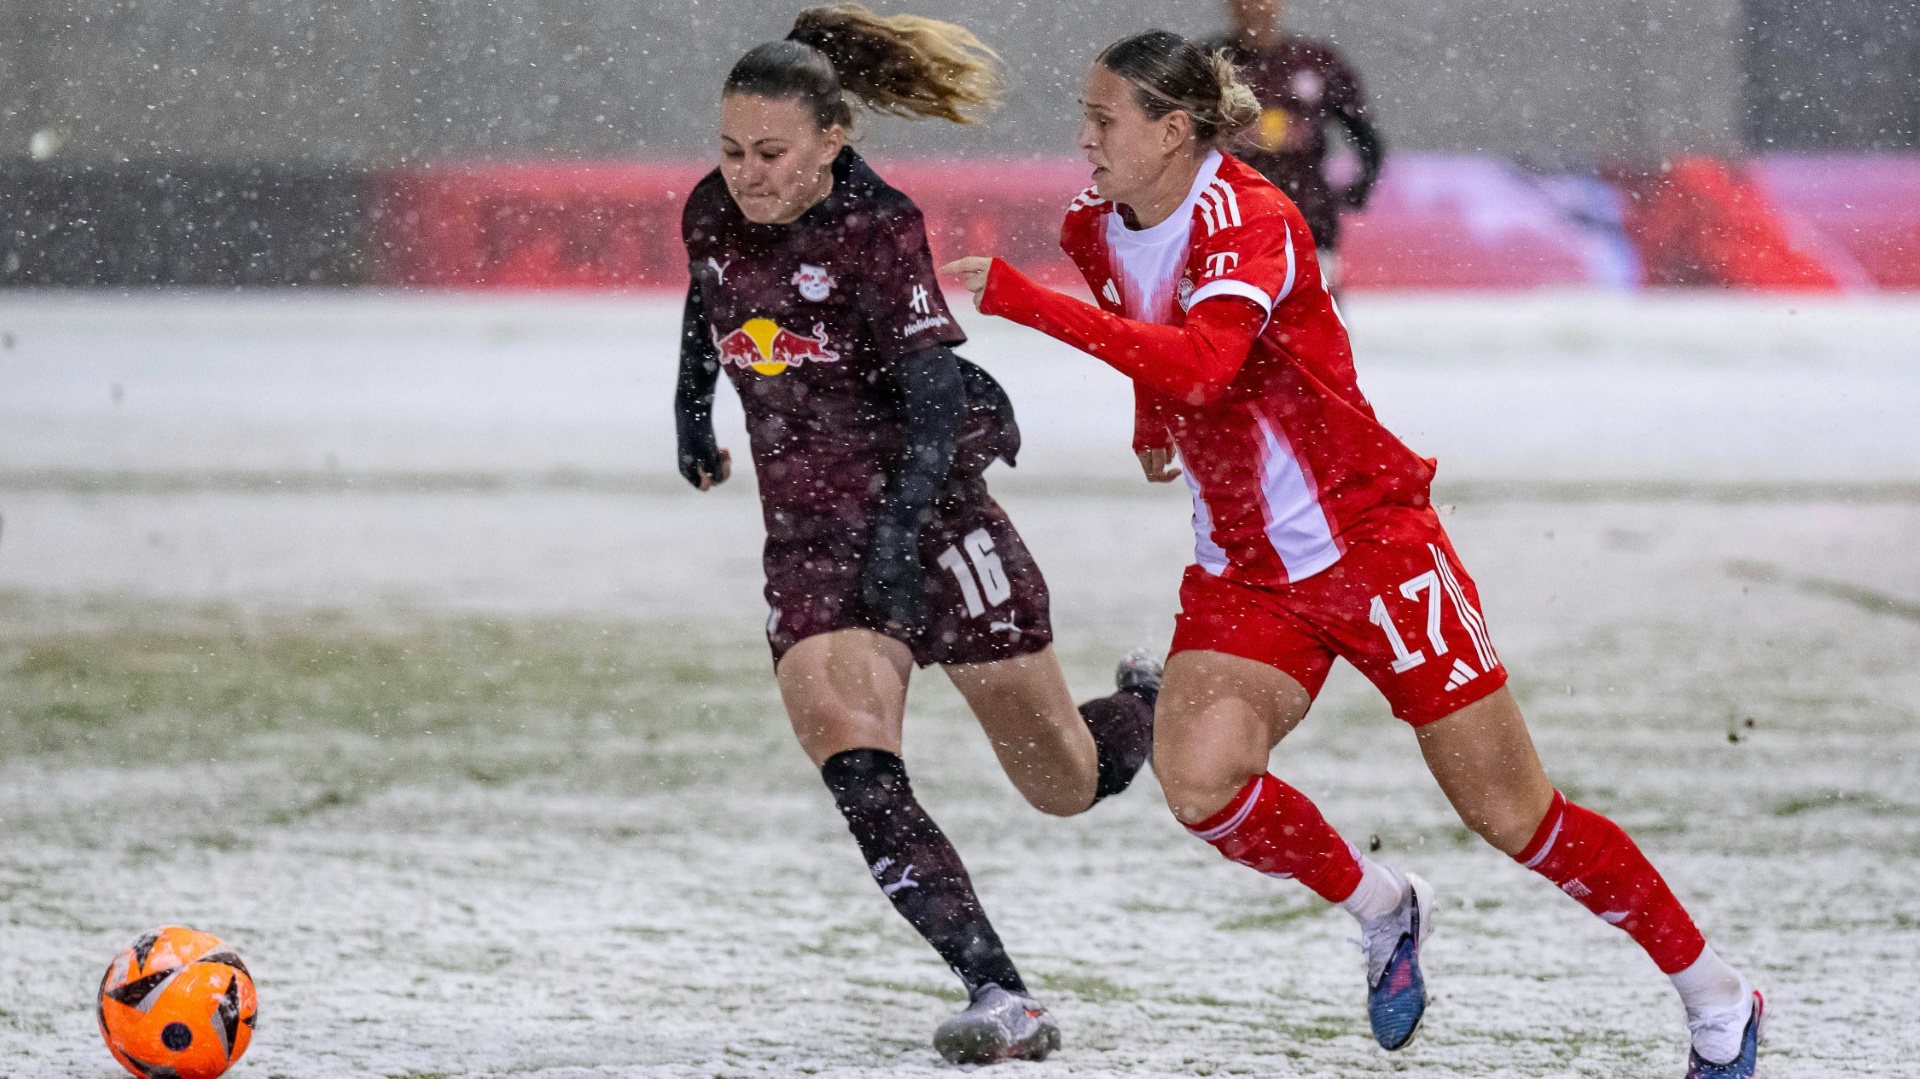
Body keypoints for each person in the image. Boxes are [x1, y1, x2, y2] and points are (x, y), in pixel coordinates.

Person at [942, 30, 1762, 1077]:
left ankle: (1717, 995)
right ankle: (1385, 906)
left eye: (1105, 119)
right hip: (1245, 565)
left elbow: (1205, 361)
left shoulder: (1253, 219)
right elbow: (1150, 337)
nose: (1084, 137)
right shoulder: (1094, 227)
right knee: (1202, 784)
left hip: (1374, 545)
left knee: (1514, 813)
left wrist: (1025, 302)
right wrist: (1151, 426)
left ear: (1174, 130)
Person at [675, 5, 1159, 1065]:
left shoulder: (878, 228)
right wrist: (692, 410)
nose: (746, 176)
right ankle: (1001, 990)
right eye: (730, 152)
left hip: (932, 516)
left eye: (770, 154)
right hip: (808, 540)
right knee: (851, 755)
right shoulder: (712, 212)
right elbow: (706, 302)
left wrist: (898, 544)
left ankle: (1147, 708)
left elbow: (936, 409)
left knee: (1063, 782)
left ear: (830, 141)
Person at [1215, 0, 1383, 288]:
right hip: (1229, 226)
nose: (1254, 8)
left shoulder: (1316, 62)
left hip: (1308, 220)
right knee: (1232, 321)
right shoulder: (1210, 64)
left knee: (1315, 321)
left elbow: (1364, 133)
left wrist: (1361, 185)